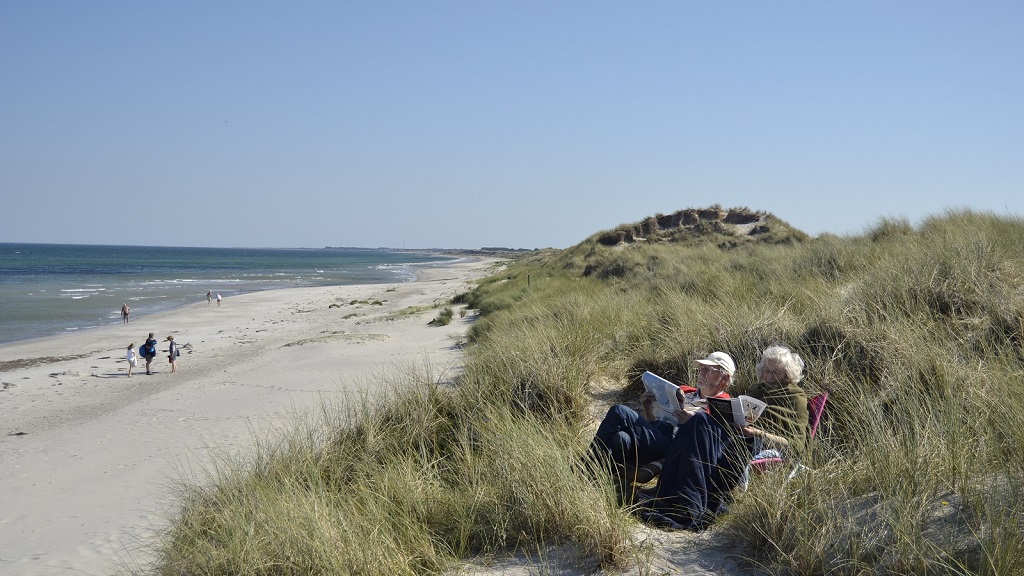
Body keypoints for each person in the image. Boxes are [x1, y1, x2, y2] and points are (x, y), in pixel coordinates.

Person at [634, 345, 809, 531]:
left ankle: (685, 501)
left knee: (699, 423)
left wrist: (756, 433)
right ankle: (672, 495)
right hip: (736, 439)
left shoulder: (795, 399)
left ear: (787, 374)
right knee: (699, 422)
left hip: (760, 445)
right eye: (766, 370)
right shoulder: (755, 391)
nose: (769, 376)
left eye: (775, 372)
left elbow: (795, 445)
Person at [590, 351, 736, 486]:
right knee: (621, 438)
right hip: (658, 438)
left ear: (725, 378)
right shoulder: (683, 392)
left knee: (619, 411)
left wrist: (691, 425)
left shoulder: (724, 408)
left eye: (709, 369)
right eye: (702, 368)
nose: (702, 372)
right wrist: (647, 408)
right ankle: (601, 481)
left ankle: (586, 467)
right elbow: (655, 423)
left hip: (675, 447)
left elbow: (711, 446)